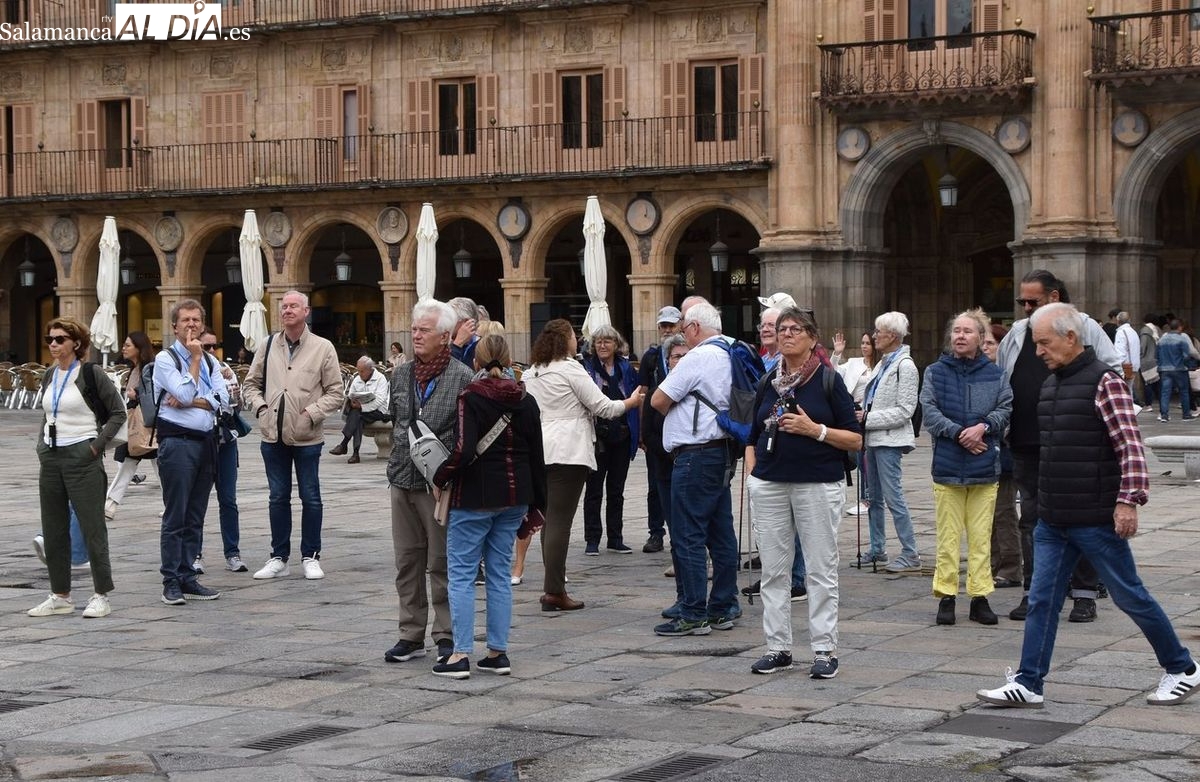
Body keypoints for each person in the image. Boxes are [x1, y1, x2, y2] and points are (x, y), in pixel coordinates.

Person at [977, 303, 1200, 709]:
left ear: (1070, 338)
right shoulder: (1052, 384)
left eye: (1044, 343)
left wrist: (1128, 502)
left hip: (1095, 517)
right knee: (1042, 599)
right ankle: (1029, 682)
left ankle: (1182, 667)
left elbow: (1130, 447)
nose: (1038, 351)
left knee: (1129, 595)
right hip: (1054, 516)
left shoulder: (1105, 382)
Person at [997, 270, 1122, 623]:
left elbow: (1111, 371)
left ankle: (1084, 593)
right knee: (1032, 518)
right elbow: (1003, 376)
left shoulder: (1082, 326)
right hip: (1025, 440)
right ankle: (1034, 591)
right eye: (1021, 301)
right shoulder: (1019, 333)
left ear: (1054, 298)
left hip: (1076, 442)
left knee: (1081, 515)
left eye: (1031, 301)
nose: (1024, 307)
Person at [744, 307, 861, 677]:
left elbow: (855, 439)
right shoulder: (768, 382)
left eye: (796, 329)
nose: (787, 334)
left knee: (820, 569)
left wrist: (815, 430)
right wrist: (754, 474)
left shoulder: (828, 381)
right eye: (782, 329)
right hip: (770, 483)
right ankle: (778, 647)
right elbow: (751, 435)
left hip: (817, 483)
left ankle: (825, 649)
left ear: (813, 338)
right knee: (774, 572)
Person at [429, 335, 547, 679]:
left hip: (476, 497)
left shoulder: (472, 396)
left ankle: (460, 654)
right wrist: (538, 501)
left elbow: (464, 450)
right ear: (510, 360)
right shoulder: (526, 399)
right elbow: (538, 455)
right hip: (514, 497)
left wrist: (441, 474)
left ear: (476, 363)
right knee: (498, 575)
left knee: (462, 575)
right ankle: (498, 652)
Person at [523, 319, 641, 612]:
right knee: (560, 521)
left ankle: (554, 585)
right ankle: (554, 591)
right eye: (574, 337)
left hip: (540, 449)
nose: (579, 341)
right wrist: (631, 401)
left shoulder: (532, 373)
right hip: (569, 450)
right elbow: (604, 407)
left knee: (548, 519)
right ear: (565, 340)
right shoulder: (571, 369)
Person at [383, 299, 474, 663]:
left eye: (424, 330)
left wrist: (448, 470)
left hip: (439, 485)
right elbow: (396, 421)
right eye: (415, 328)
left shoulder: (462, 377)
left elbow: (468, 435)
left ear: (445, 337)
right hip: (401, 479)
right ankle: (410, 632)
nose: (416, 335)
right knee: (406, 561)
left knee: (440, 562)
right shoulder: (401, 375)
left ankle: (446, 634)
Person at [651, 301, 741, 636]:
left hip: (695, 454)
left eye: (684, 328)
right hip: (721, 452)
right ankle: (722, 606)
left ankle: (692, 612)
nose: (681, 335)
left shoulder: (699, 357)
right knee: (721, 533)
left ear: (693, 329)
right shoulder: (732, 350)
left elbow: (659, 400)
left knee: (688, 534)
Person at [242, 290, 345, 581]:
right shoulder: (268, 344)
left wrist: (311, 412)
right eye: (284, 306)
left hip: (307, 436)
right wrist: (261, 407)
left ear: (306, 311)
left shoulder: (323, 347)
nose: (287, 310)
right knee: (277, 497)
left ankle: (311, 556)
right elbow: (251, 384)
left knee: (311, 497)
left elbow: (336, 392)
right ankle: (279, 557)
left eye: (293, 306)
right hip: (272, 434)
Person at [27, 317, 126, 619]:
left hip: (82, 456)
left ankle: (101, 595)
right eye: (50, 339)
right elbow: (49, 412)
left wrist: (95, 446)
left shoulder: (91, 373)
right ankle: (60, 595)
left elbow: (118, 413)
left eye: (59, 339)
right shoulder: (49, 375)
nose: (53, 344)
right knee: (54, 528)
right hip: (52, 457)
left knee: (91, 528)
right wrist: (42, 445)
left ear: (76, 343)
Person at [920, 309, 1012, 626]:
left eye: (967, 331)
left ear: (981, 338)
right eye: (956, 331)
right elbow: (929, 412)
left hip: (984, 467)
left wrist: (983, 427)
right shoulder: (935, 371)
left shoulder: (995, 374)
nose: (960, 336)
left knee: (981, 538)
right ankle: (946, 597)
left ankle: (979, 597)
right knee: (947, 539)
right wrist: (960, 433)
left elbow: (1005, 409)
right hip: (948, 467)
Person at [153, 300, 227, 605]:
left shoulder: (212, 362)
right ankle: (170, 579)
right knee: (176, 514)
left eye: (197, 320)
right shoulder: (165, 359)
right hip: (178, 443)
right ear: (175, 327)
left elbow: (224, 400)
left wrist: (195, 400)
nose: (191, 325)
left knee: (195, 514)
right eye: (185, 320)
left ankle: (187, 576)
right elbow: (182, 392)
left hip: (206, 442)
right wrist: (194, 360)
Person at [861, 311, 921, 572]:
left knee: (893, 497)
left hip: (889, 439)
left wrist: (867, 417)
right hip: (874, 439)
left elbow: (905, 410)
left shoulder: (905, 366)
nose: (874, 336)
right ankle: (878, 549)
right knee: (873, 498)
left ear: (893, 336)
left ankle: (910, 553)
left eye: (878, 332)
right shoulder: (884, 363)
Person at [581, 325, 640, 555]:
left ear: (616, 344)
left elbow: (635, 399)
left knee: (617, 489)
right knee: (594, 490)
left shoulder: (626, 368)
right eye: (598, 342)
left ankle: (615, 537)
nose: (602, 345)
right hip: (598, 436)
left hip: (621, 435)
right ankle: (592, 539)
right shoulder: (586, 368)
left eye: (607, 341)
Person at [199, 329, 247, 573]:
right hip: (201, 442)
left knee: (228, 500)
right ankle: (195, 554)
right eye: (205, 346)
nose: (210, 351)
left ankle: (233, 552)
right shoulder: (191, 371)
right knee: (197, 501)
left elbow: (235, 408)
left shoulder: (226, 372)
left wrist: (234, 398)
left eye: (213, 346)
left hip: (226, 441)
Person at [637, 306, 682, 554]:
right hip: (656, 428)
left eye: (671, 325)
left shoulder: (686, 354)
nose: (667, 330)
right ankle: (656, 532)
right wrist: (642, 433)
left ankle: (682, 533)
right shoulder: (651, 357)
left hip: (681, 428)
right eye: (663, 326)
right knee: (654, 484)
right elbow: (642, 394)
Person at [104, 331, 157, 522]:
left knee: (158, 466)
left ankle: (109, 505)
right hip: (137, 424)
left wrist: (137, 395)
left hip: (147, 425)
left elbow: (156, 394)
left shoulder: (149, 368)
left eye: (128, 345)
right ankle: (109, 506)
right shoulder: (135, 368)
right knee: (129, 464)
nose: (124, 348)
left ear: (139, 348)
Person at [983, 324, 1021, 588]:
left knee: (1004, 511)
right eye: (983, 343)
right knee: (989, 513)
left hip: (1005, 451)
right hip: (984, 452)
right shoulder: (985, 375)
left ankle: (1010, 567)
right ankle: (993, 563)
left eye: (990, 343)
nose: (985, 348)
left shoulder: (1007, 376)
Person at [833, 329, 878, 517]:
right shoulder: (853, 363)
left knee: (868, 458)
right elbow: (832, 371)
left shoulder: (882, 365)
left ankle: (869, 498)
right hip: (856, 413)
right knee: (858, 456)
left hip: (874, 414)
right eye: (862, 343)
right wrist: (837, 353)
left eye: (868, 343)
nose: (864, 347)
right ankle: (867, 497)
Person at [330, 356, 391, 463]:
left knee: (357, 414)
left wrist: (362, 407)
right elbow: (351, 394)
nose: (359, 373)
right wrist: (352, 402)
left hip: (377, 412)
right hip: (360, 412)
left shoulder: (380, 378)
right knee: (358, 417)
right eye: (358, 370)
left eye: (362, 371)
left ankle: (344, 444)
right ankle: (355, 453)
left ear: (370, 369)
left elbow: (380, 400)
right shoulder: (357, 379)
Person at [1154, 318, 1200, 422]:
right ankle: (1186, 414)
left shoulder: (1162, 339)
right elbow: (1186, 355)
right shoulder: (1182, 339)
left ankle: (1164, 415)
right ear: (1180, 327)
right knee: (1183, 391)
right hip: (1179, 368)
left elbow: (1156, 355)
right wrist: (1186, 364)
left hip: (1164, 369)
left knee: (1165, 392)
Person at [1113, 312, 1141, 410]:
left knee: (1121, 391)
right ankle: (1130, 412)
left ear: (1118, 321)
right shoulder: (1133, 332)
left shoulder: (1121, 332)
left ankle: (1125, 411)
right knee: (1129, 391)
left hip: (1125, 366)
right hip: (1133, 365)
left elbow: (1120, 352)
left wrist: (1116, 366)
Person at [448, 296, 480, 368]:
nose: (446, 323)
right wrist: (457, 344)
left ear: (467, 322)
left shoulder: (484, 346)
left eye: (450, 319)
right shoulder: (443, 344)